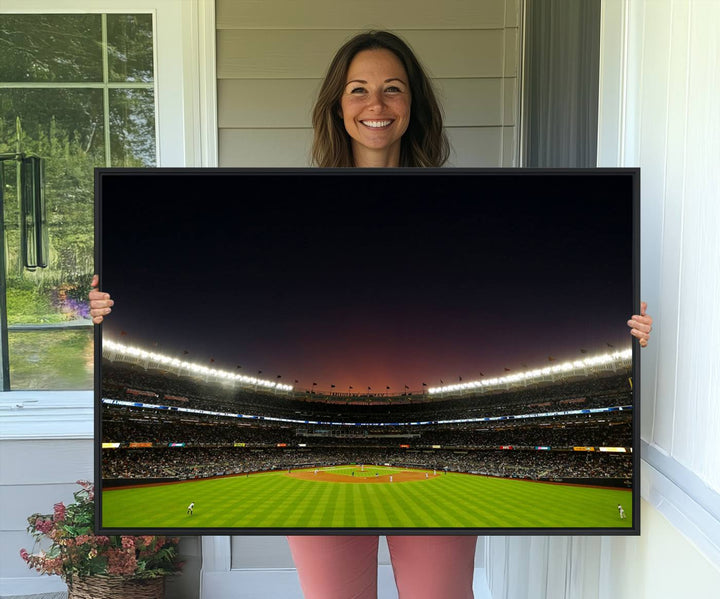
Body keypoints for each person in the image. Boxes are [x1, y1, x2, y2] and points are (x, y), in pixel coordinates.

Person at [89, 29, 653, 599]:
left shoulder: (464, 211)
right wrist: (107, 318)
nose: (375, 105)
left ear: (413, 105)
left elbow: (513, 296)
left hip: (437, 483)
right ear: (338, 105)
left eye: (392, 89)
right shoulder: (292, 213)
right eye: (358, 89)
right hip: (321, 493)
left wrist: (623, 334)